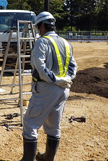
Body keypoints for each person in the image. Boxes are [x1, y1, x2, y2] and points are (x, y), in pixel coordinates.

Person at [21, 11, 78, 161]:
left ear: (42, 26)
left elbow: (40, 67)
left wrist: (54, 80)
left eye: (38, 27)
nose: (38, 31)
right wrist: (65, 79)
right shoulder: (66, 43)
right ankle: (48, 158)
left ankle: (28, 159)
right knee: (54, 125)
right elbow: (73, 66)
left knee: (29, 124)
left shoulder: (42, 42)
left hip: (46, 88)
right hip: (63, 89)